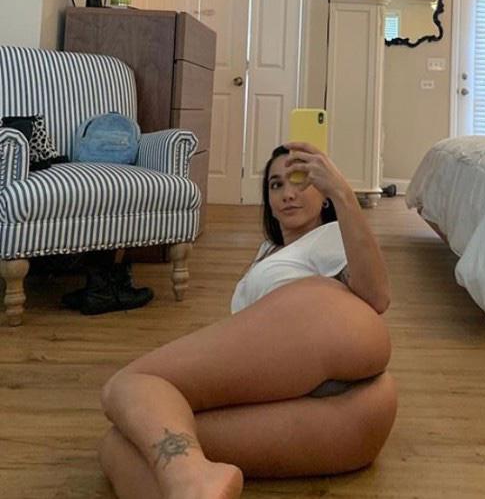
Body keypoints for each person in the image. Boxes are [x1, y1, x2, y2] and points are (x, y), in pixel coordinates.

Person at [98, 142, 397, 499]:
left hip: (329, 333)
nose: (287, 193)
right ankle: (192, 484)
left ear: (325, 194)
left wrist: (344, 194)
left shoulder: (333, 236)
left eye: (300, 181)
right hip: (352, 417)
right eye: (276, 185)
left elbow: (376, 296)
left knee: (132, 383)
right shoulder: (268, 250)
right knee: (124, 443)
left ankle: (191, 480)